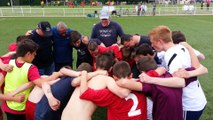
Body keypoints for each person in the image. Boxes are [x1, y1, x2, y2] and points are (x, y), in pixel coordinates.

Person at [148, 25, 207, 120]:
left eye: (152, 42)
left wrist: (151, 80)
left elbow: (179, 82)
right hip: (197, 99)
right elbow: (199, 66)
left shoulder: (172, 55)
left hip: (189, 105)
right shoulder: (179, 47)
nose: (152, 46)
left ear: (160, 41)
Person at [1, 40, 61, 120]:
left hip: (8, 107)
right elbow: (42, 83)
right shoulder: (31, 68)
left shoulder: (7, 64)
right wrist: (56, 75)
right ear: (28, 54)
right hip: (22, 108)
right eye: (34, 54)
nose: (35, 56)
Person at [61, 52, 129, 120]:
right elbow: (122, 94)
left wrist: (95, 73)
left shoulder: (87, 76)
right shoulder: (107, 80)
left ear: (95, 65)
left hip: (64, 116)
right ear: (110, 68)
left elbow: (73, 82)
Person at [79, 61, 147, 120]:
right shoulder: (142, 85)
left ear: (114, 77)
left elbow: (84, 93)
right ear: (131, 75)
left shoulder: (111, 94)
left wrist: (84, 73)